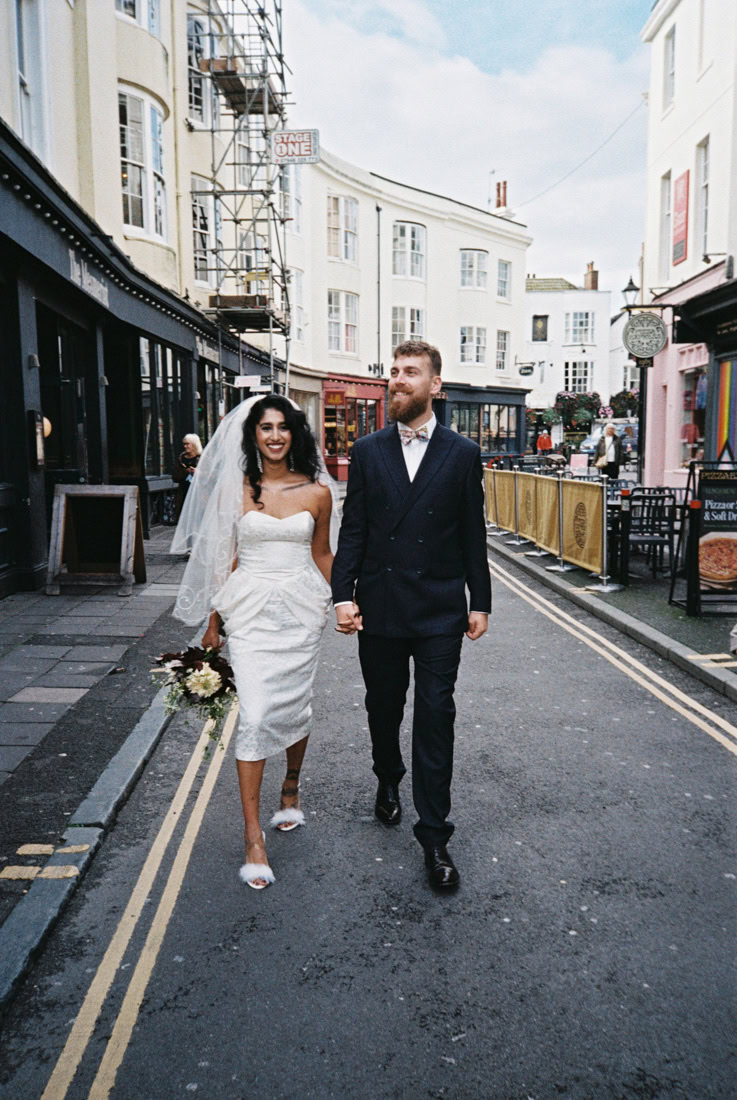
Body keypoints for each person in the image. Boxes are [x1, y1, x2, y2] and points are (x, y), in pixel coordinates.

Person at [331, 340, 491, 890]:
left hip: (440, 607)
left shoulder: (463, 453)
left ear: (435, 386)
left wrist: (480, 600)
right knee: (384, 705)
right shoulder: (368, 450)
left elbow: (473, 534)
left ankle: (435, 836)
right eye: (394, 371)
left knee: (435, 714)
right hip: (380, 603)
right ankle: (388, 774)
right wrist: (343, 594)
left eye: (411, 372)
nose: (397, 380)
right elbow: (354, 529)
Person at [171, 396, 337, 890]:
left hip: (301, 613)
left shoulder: (317, 492)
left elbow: (323, 554)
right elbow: (226, 559)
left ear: (295, 434)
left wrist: (349, 602)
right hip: (250, 613)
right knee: (257, 715)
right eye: (266, 427)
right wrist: (213, 622)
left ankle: (291, 785)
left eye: (283, 427)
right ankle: (252, 836)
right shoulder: (237, 490)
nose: (275, 436)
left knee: (296, 705)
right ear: (253, 435)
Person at [172, 434, 202, 519]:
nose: (185, 446)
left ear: (194, 444)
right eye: (184, 444)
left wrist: (198, 472)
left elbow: (210, 475)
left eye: (188, 444)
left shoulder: (202, 458)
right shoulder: (180, 459)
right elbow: (175, 476)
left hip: (198, 493)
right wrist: (185, 472)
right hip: (183, 493)